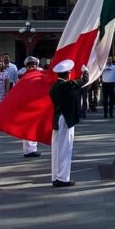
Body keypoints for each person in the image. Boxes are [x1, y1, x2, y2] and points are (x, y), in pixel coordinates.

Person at [49, 59, 81, 188]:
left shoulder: (54, 86)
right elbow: (82, 81)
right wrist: (86, 71)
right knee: (65, 148)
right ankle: (63, 178)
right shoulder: (65, 85)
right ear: (68, 73)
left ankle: (56, 176)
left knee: (56, 149)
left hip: (57, 118)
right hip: (65, 119)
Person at [21, 57, 43, 158]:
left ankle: (29, 149)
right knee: (30, 128)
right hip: (28, 106)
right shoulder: (25, 77)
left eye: (33, 65)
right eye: (29, 66)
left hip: (36, 104)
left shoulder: (39, 75)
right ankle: (30, 150)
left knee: (32, 128)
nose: (31, 67)